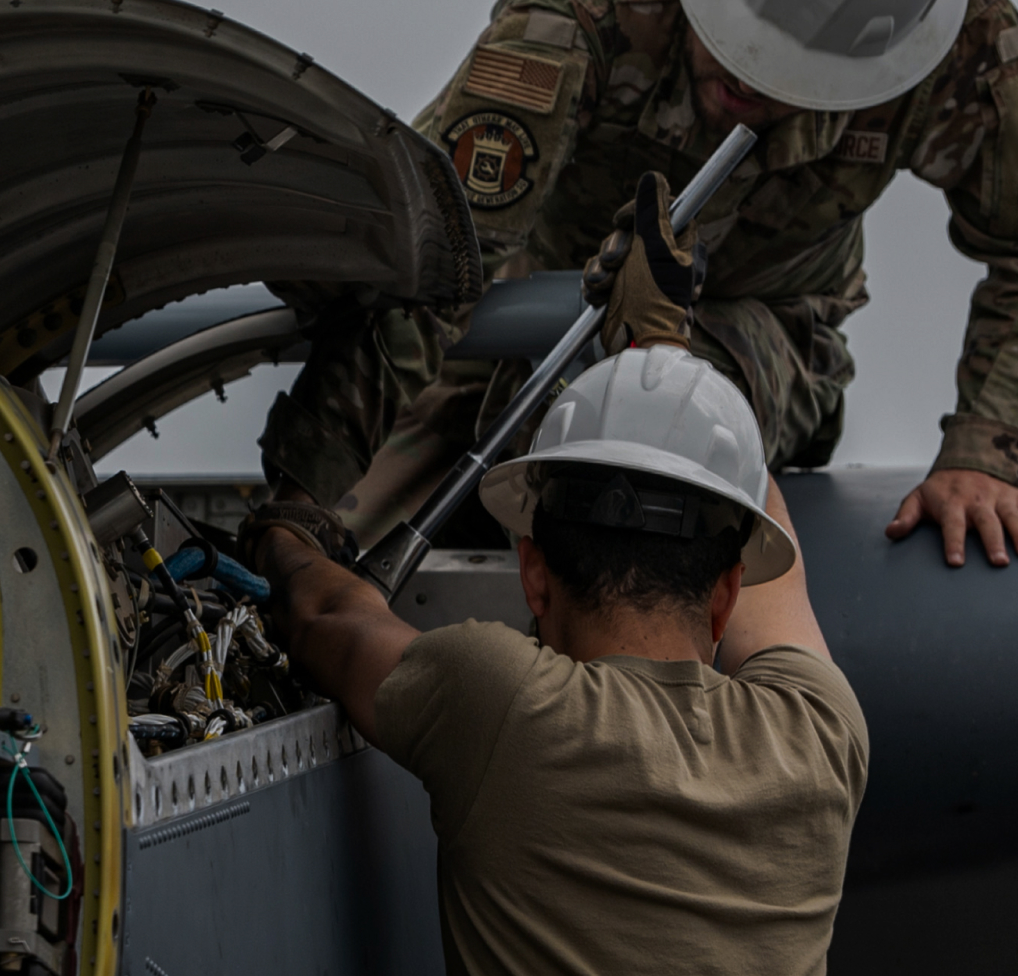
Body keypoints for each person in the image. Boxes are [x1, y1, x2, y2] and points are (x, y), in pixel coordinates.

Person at [259, 0, 1018, 568]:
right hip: (515, 306)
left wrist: (985, 456)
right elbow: (432, 257)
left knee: (629, 432)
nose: (755, 79)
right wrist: (305, 493)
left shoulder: (957, 36)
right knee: (337, 536)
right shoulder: (588, 6)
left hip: (761, 323)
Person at [243, 336, 866, 974]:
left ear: (534, 575)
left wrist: (280, 533)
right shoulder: (818, 730)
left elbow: (324, 616)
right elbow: (761, 519)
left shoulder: (498, 699)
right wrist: (679, 372)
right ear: (726, 594)